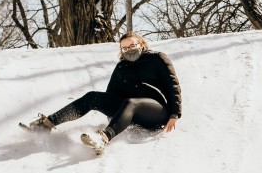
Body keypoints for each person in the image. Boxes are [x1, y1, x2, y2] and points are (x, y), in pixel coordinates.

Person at [20, 32, 182, 154]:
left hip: (157, 112)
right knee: (93, 97)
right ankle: (46, 124)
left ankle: (103, 138)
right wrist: (114, 115)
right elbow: (110, 95)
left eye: (132, 46)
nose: (128, 50)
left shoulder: (157, 59)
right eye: (124, 48)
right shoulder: (122, 67)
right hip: (132, 113)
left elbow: (172, 85)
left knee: (132, 102)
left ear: (141, 44)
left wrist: (174, 113)